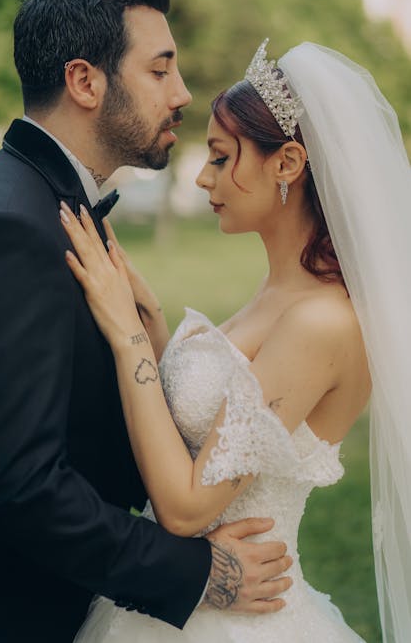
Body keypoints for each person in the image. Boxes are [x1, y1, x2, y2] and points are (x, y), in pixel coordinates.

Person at [0, 0, 292, 642]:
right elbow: (17, 483)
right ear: (85, 82)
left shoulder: (44, 204)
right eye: (159, 71)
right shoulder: (4, 230)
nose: (180, 95)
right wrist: (198, 570)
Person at [61, 39, 411, 642]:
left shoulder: (321, 322)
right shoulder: (279, 296)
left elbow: (186, 507)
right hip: (178, 606)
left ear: (288, 163)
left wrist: (129, 342)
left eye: (222, 158)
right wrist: (152, 324)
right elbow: (208, 432)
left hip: (235, 622)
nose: (202, 176)